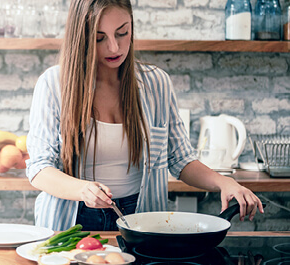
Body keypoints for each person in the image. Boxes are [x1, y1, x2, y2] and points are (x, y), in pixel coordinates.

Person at [26, 0, 264, 231]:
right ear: (82, 38)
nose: (114, 47)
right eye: (100, 38)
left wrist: (225, 182)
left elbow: (180, 159)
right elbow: (39, 169)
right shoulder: (54, 84)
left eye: (122, 33)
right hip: (72, 218)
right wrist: (83, 190)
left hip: (142, 216)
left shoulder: (156, 83)